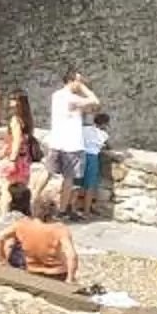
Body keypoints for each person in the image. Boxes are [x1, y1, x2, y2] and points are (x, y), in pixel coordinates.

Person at [46, 67, 100, 217]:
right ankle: (62, 210)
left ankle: (36, 199)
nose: (81, 83)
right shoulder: (73, 99)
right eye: (79, 80)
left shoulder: (57, 95)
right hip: (72, 145)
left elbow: (90, 109)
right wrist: (84, 88)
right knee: (69, 179)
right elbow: (95, 101)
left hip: (56, 141)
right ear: (71, 81)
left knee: (48, 173)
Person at [0, 182, 78, 280]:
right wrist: (70, 279)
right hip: (56, 273)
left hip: (33, 270)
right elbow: (72, 256)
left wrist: (2, 260)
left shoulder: (22, 224)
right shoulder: (60, 229)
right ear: (54, 211)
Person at [79, 104, 111, 219]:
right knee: (90, 185)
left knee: (76, 184)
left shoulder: (85, 129)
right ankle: (86, 211)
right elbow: (108, 146)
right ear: (105, 124)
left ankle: (72, 208)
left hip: (81, 155)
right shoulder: (103, 134)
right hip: (92, 158)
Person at [4, 89, 38, 195]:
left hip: (17, 158)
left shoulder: (16, 120)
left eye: (13, 99)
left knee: (9, 190)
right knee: (22, 189)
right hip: (25, 158)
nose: (10, 102)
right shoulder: (27, 119)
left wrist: (12, 160)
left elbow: (17, 140)